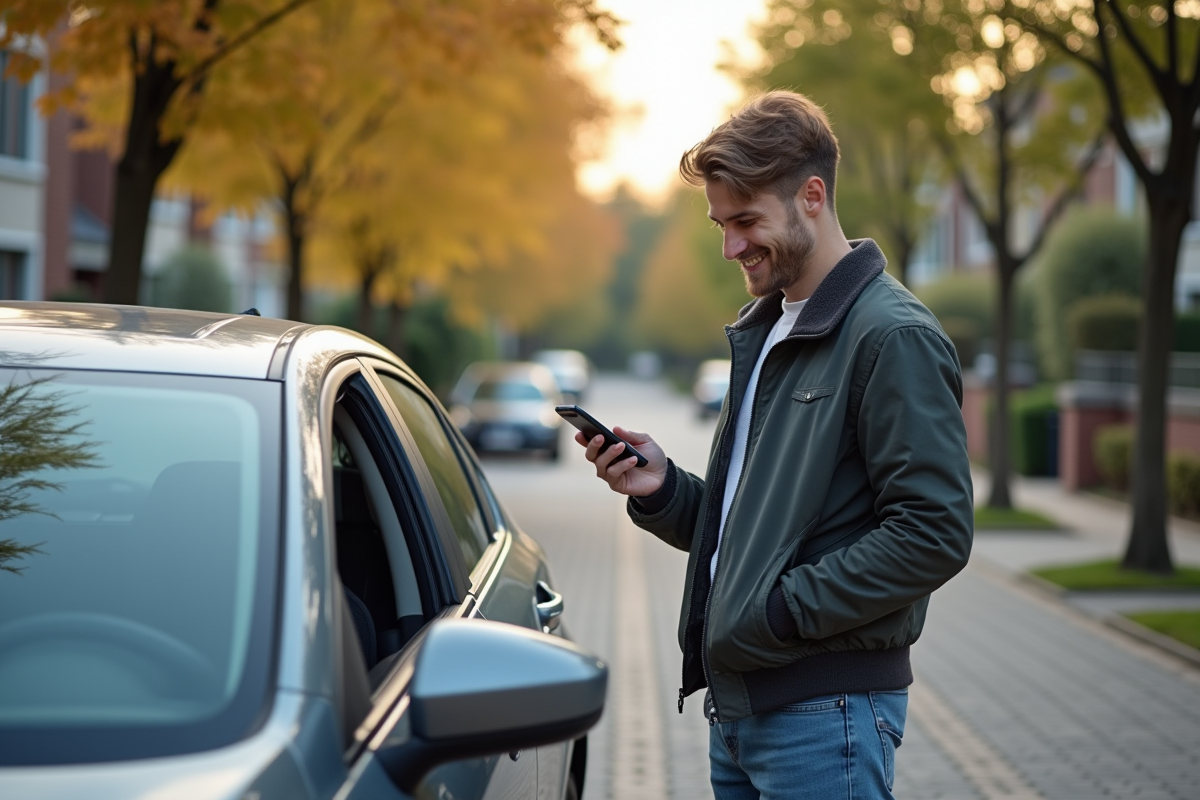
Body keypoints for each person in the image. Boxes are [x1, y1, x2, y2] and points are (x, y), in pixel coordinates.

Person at [574, 91, 973, 800]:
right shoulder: (768, 331)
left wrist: (782, 612)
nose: (730, 246)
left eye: (747, 220)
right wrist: (664, 490)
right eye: (721, 224)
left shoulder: (891, 335)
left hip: (825, 717)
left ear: (812, 196)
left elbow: (934, 532)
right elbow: (760, 528)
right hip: (740, 712)